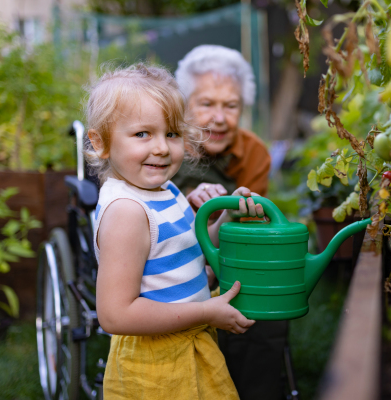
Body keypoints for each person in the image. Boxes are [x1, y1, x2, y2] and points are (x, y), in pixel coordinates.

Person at [84, 63, 265, 399]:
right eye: (142, 134)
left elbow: (190, 254)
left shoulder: (164, 190)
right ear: (101, 141)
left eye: (171, 133)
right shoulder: (128, 211)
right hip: (155, 367)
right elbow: (115, 314)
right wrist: (207, 311)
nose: (162, 148)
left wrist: (227, 217)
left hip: (188, 345)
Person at [174, 45, 289, 400]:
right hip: (171, 259)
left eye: (231, 105)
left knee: (263, 305)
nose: (220, 118)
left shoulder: (254, 152)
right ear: (184, 105)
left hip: (226, 253)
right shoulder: (166, 148)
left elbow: (248, 231)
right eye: (206, 103)